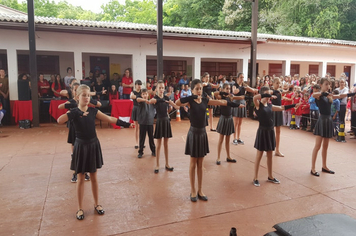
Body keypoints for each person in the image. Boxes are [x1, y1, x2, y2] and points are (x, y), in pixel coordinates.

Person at [57, 84, 132, 220]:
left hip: (93, 144)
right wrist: (76, 112)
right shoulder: (73, 112)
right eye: (84, 95)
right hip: (80, 145)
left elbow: (110, 119)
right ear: (77, 97)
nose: (86, 98)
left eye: (88, 95)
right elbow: (60, 120)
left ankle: (97, 204)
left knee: (94, 176)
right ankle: (80, 208)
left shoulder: (93, 111)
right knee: (80, 178)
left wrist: (126, 123)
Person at [175, 79, 235, 202]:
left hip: (202, 133)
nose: (199, 91)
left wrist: (231, 102)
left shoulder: (205, 100)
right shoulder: (190, 101)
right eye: (196, 88)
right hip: (193, 133)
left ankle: (200, 190)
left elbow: (220, 101)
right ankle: (193, 190)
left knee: (201, 164)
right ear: (192, 89)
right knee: (193, 163)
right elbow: (177, 102)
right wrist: (190, 97)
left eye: (200, 89)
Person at [58, 82, 102, 183]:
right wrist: (72, 104)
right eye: (75, 89)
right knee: (75, 148)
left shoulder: (86, 99)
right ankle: (75, 172)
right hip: (74, 126)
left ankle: (85, 171)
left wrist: (90, 101)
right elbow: (60, 107)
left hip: (84, 125)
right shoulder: (72, 100)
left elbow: (99, 104)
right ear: (74, 92)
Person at [252, 86, 296, 187]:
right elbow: (254, 98)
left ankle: (270, 176)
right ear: (263, 94)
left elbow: (281, 108)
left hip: (270, 132)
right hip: (262, 132)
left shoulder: (270, 105)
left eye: (269, 95)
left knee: (270, 155)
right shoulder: (258, 104)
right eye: (266, 95)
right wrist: (268, 95)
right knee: (259, 155)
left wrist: (294, 105)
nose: (269, 97)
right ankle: (255, 177)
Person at [310, 78, 352, 177]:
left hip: (328, 120)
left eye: (329, 85)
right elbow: (314, 95)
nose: (328, 86)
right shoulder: (319, 95)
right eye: (326, 84)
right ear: (321, 85)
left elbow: (340, 95)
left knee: (325, 146)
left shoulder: (329, 96)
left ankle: (324, 166)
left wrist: (351, 95)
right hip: (322, 120)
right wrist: (323, 93)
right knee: (317, 146)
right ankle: (313, 168)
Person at [150, 80, 179, 173]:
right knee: (158, 145)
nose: (161, 89)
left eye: (163, 88)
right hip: (159, 121)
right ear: (157, 89)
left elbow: (174, 105)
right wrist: (155, 100)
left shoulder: (167, 98)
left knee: (166, 144)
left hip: (166, 121)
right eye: (160, 88)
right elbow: (150, 101)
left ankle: (167, 164)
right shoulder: (155, 98)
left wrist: (176, 105)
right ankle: (157, 165)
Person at [214, 84, 245, 165]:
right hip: (223, 118)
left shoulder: (230, 97)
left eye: (229, 89)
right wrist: (222, 92)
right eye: (227, 89)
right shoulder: (221, 97)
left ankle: (228, 156)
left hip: (229, 118)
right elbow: (215, 94)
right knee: (221, 139)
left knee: (227, 140)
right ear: (223, 89)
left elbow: (239, 97)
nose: (228, 90)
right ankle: (218, 157)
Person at [231, 73, 258, 145]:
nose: (242, 79)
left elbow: (252, 90)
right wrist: (241, 87)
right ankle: (234, 139)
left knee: (240, 123)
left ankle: (238, 138)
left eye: (243, 77)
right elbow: (234, 91)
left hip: (242, 103)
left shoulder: (244, 86)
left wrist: (258, 90)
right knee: (235, 123)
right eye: (241, 77)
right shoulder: (234, 85)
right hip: (236, 103)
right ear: (237, 78)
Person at [271, 78, 289, 156]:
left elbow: (286, 91)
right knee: (270, 131)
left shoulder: (279, 91)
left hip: (279, 111)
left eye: (279, 83)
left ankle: (277, 150)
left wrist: (290, 88)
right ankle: (269, 148)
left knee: (278, 131)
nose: (278, 84)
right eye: (277, 83)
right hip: (272, 111)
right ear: (273, 83)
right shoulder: (272, 91)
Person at [136, 88, 156, 158]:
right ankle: (140, 152)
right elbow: (138, 99)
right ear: (141, 95)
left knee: (151, 137)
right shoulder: (141, 101)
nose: (145, 95)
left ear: (148, 94)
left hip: (150, 122)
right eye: (143, 94)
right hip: (143, 122)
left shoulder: (151, 102)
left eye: (146, 94)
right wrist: (145, 100)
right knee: (142, 138)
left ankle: (153, 151)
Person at [130, 80, 142, 149]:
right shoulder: (133, 92)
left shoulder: (142, 92)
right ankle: (136, 142)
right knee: (136, 127)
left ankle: (141, 142)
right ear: (135, 85)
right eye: (138, 85)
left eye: (140, 85)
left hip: (141, 109)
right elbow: (132, 96)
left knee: (141, 127)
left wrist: (137, 97)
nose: (139, 86)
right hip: (136, 109)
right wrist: (138, 97)